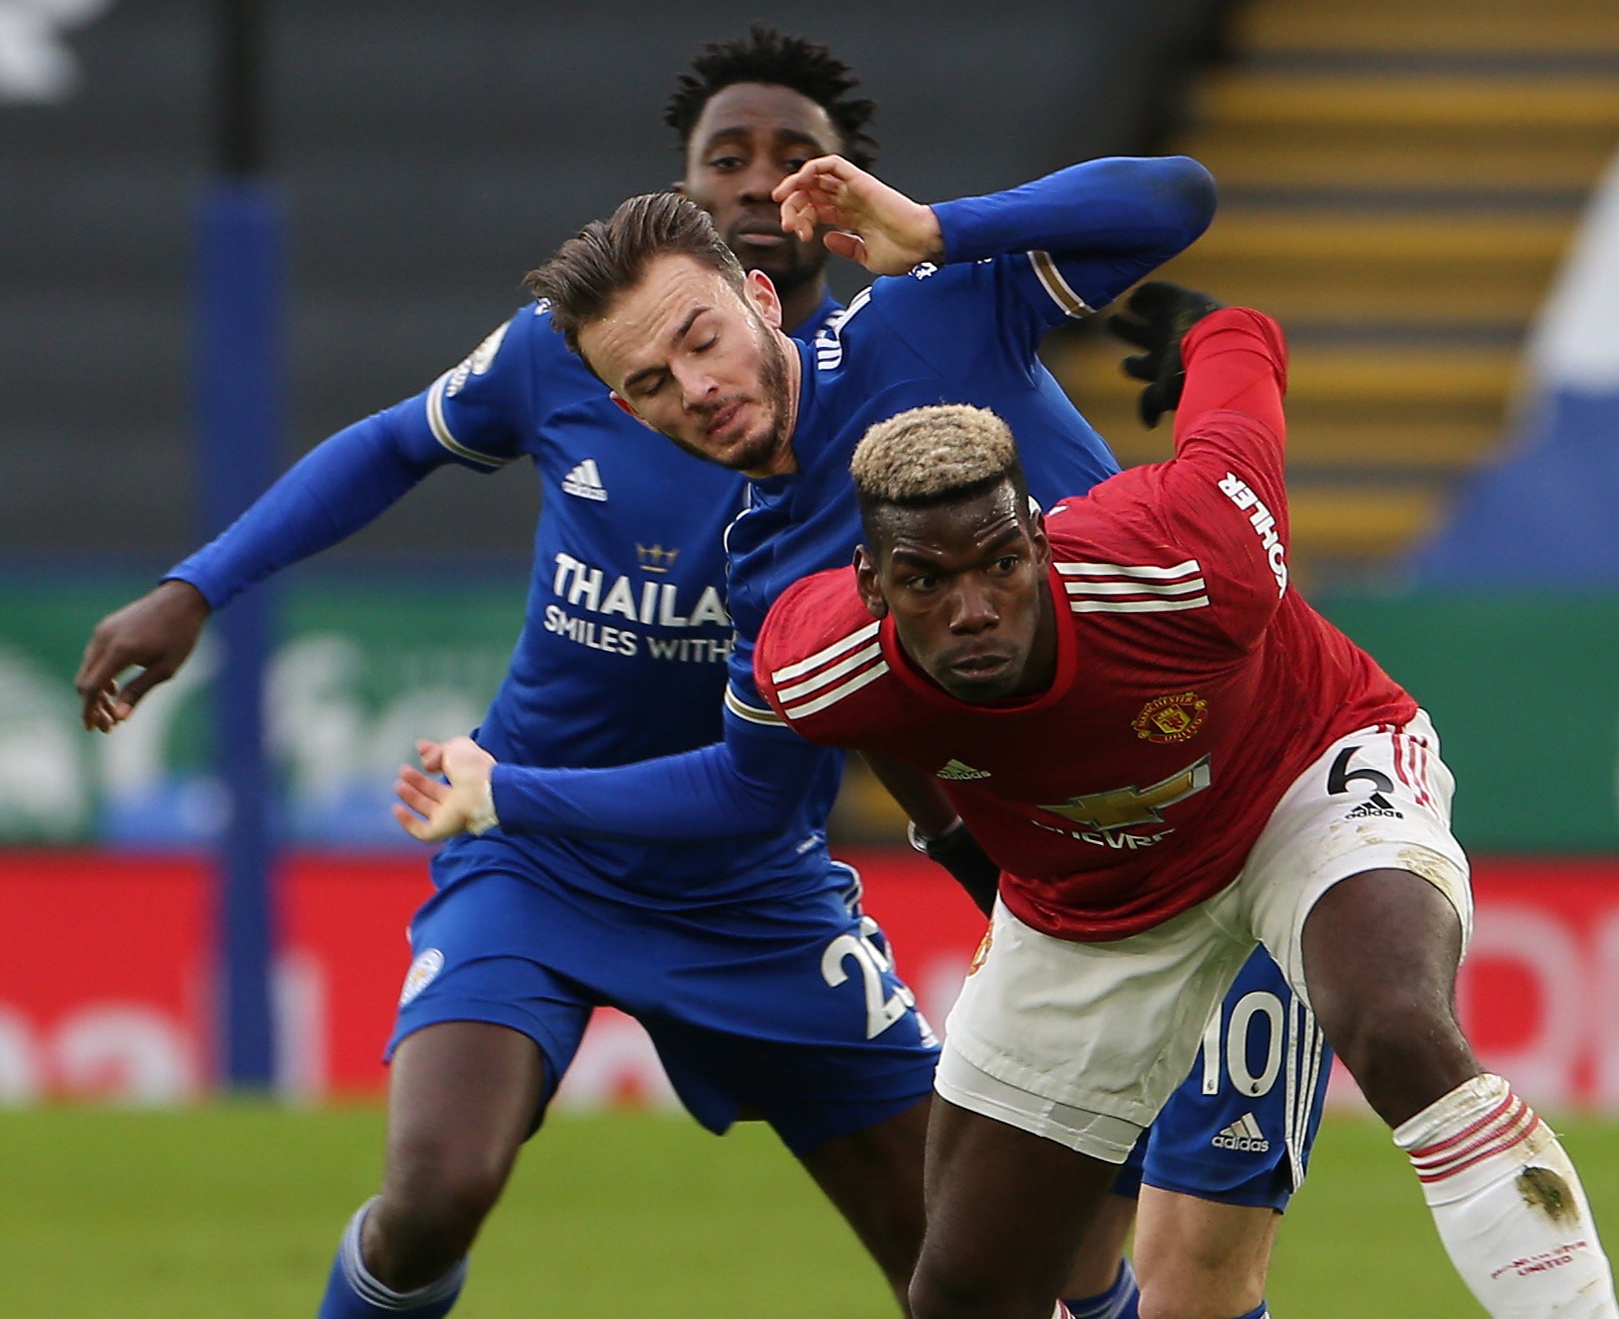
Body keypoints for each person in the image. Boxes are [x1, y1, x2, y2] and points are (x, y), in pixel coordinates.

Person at [75, 29, 939, 1319]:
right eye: (727, 158)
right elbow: (383, 448)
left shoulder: (890, 391)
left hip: (754, 883)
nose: (760, 183)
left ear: (842, 191)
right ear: (684, 192)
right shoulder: (563, 351)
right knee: (433, 1192)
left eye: (793, 158)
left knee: (957, 1265)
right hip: (532, 855)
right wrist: (194, 584)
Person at [392, 150, 1336, 1319]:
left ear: (761, 296)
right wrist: (509, 795)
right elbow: (747, 791)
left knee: (1192, 1270)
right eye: (643, 384)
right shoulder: (767, 569)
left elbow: (1176, 200)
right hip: (1074, 901)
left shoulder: (921, 323)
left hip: (1234, 811)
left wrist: (940, 226)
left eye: (697, 338)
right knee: (1052, 1266)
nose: (690, 387)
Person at [750, 308, 1619, 1319]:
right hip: (1091, 894)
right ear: (870, 587)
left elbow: (1242, 388)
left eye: (999, 562)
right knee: (961, 1292)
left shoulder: (1187, 558)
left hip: (1299, 784)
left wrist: (1213, 334)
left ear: (1040, 541)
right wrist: (948, 835)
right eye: (926, 581)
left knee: (1393, 1024)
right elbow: (818, 755)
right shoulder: (814, 667)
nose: (975, 607)